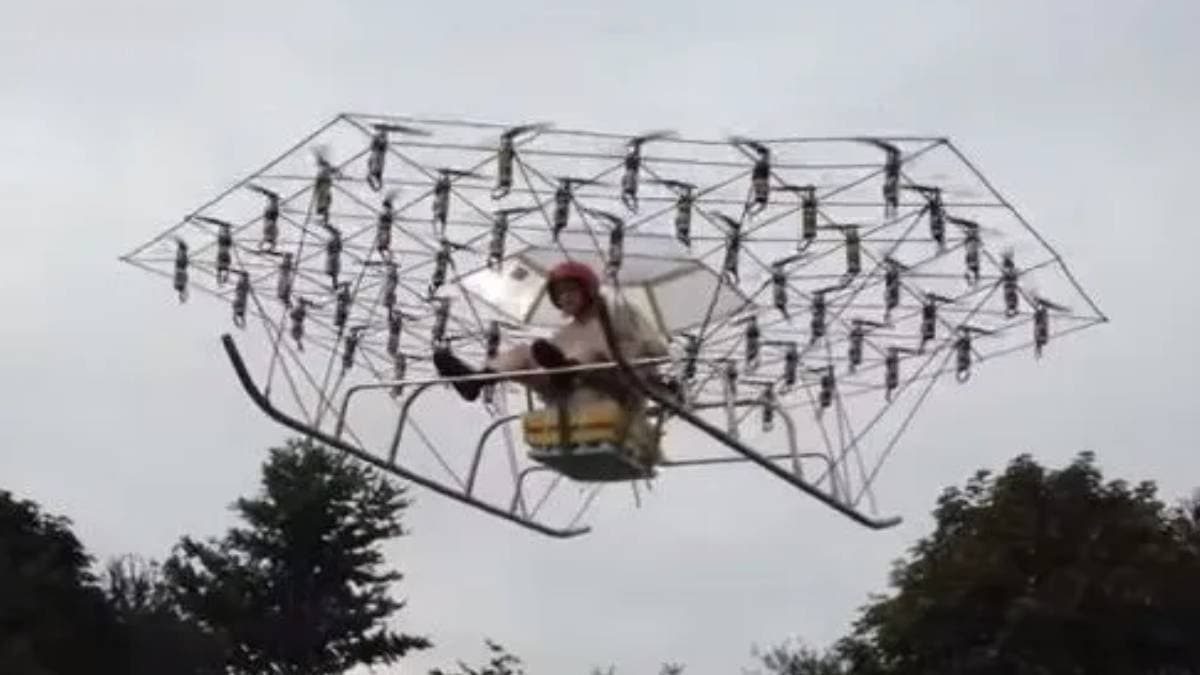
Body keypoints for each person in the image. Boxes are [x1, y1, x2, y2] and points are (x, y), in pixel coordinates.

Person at [432, 260, 669, 408]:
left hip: (615, 386)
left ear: (587, 290)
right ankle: (476, 382)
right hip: (571, 388)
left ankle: (568, 370)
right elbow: (543, 356)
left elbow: (657, 350)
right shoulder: (567, 334)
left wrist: (630, 360)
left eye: (571, 290)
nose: (565, 297)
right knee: (524, 353)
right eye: (560, 293)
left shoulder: (619, 312)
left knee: (589, 350)